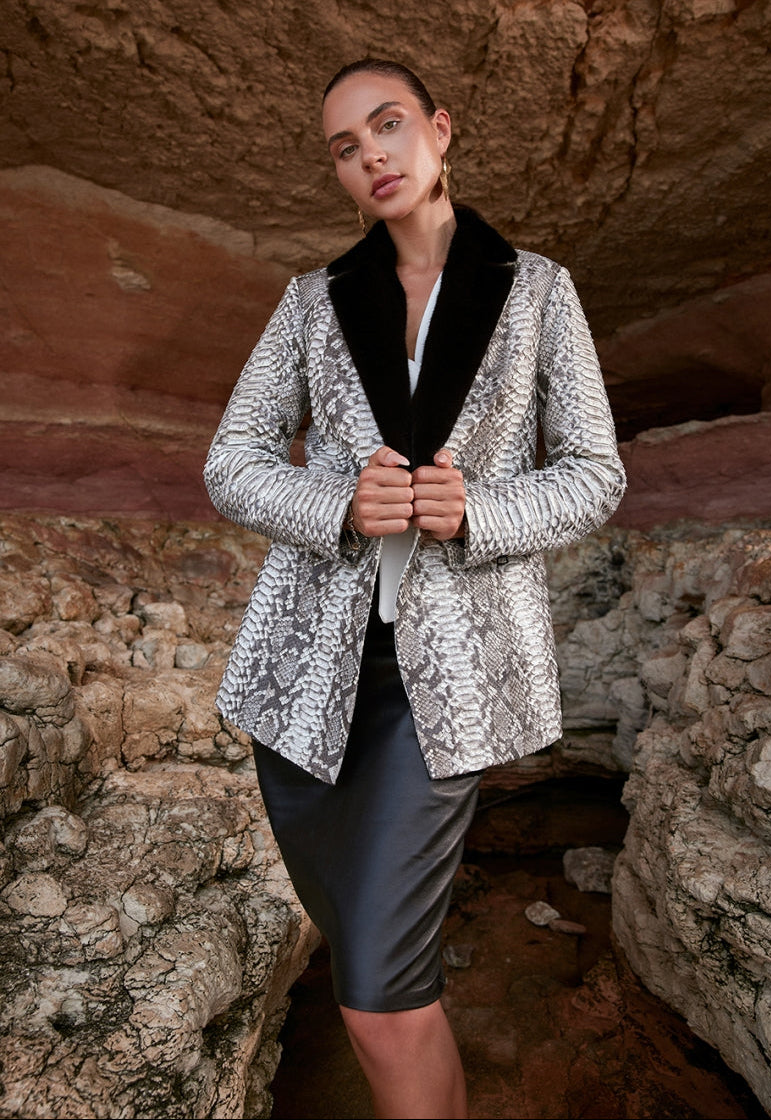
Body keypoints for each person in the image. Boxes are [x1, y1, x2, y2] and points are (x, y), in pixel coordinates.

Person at [204, 58, 626, 1120]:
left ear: (438, 129)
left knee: (379, 1001)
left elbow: (593, 471)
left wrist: (474, 509)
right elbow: (233, 457)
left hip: (443, 687)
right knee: (373, 977)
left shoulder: (536, 290)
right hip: (302, 685)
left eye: (386, 126)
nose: (369, 157)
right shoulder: (312, 301)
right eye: (344, 147)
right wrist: (334, 501)